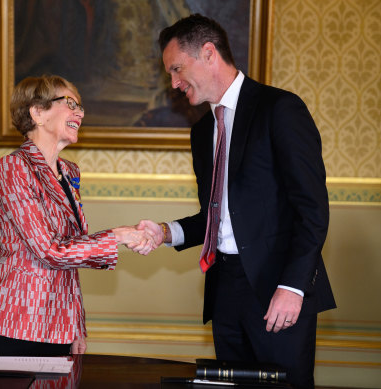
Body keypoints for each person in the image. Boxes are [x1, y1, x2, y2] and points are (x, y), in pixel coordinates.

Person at [138, 14, 336, 389]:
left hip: (279, 292)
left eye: (177, 69)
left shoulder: (280, 109)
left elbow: (312, 209)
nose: (174, 83)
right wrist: (165, 232)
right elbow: (216, 216)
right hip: (224, 291)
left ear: (209, 53)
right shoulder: (201, 133)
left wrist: (293, 287)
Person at [0, 75, 155, 357]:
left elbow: (72, 253)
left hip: (60, 326)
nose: (80, 113)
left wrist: (76, 326)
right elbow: (50, 251)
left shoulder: (69, 172)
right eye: (70, 103)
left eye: (81, 107)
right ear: (37, 112)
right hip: (16, 323)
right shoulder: (14, 168)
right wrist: (117, 236)